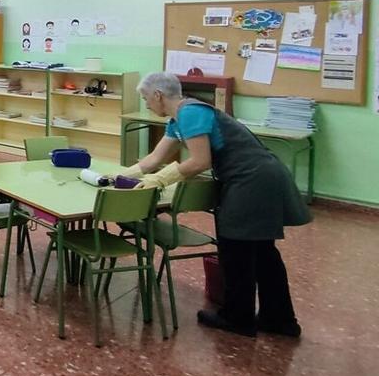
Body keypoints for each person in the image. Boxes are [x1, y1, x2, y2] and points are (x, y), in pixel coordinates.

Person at [124, 72, 310, 338]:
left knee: (236, 248)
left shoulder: (189, 113)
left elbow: (200, 161)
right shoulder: (179, 119)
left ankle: (238, 318)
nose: (146, 105)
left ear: (158, 95)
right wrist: (121, 177)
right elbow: (153, 159)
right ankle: (280, 319)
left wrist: (161, 179)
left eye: (145, 98)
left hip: (252, 180)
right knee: (263, 252)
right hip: (263, 175)